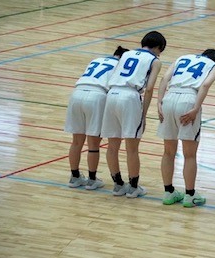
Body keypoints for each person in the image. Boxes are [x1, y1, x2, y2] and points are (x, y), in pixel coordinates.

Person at [102, 31, 166, 198]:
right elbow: (149, 88)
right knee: (132, 148)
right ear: (158, 47)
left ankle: (118, 185)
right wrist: (143, 115)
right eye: (160, 51)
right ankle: (133, 187)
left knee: (112, 145)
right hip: (130, 97)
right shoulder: (155, 61)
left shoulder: (125, 54)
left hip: (112, 94)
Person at [157, 49, 215, 207]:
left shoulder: (182, 57)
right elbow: (205, 84)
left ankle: (168, 192)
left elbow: (164, 78)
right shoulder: (214, 65)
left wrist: (159, 101)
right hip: (189, 99)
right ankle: (190, 195)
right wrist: (196, 108)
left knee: (168, 151)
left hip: (169, 97)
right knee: (190, 154)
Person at [64, 46, 129, 190]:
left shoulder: (96, 60)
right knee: (93, 143)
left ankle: (74, 177)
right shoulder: (120, 66)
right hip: (96, 96)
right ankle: (92, 179)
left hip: (77, 93)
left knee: (76, 141)